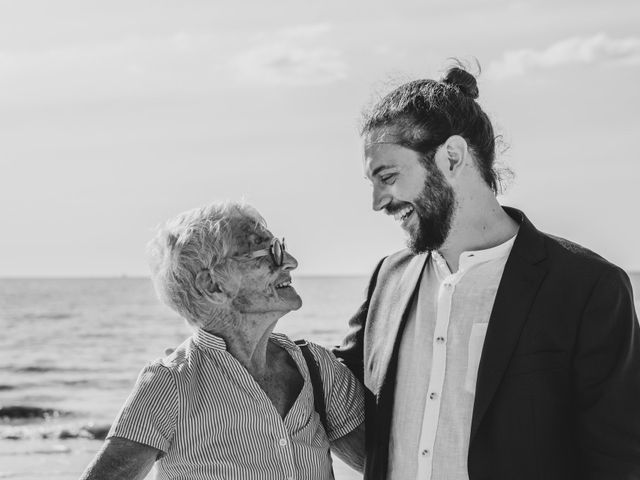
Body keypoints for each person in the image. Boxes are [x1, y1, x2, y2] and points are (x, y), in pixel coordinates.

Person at [334, 63, 640, 479]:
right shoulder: (387, 279)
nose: (377, 202)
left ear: (453, 157)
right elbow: (336, 392)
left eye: (387, 176)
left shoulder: (588, 288)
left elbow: (618, 461)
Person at [80, 202, 364, 480]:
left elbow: (390, 464)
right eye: (270, 252)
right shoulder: (171, 384)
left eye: (282, 247)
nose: (290, 262)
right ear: (213, 286)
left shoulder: (317, 368)